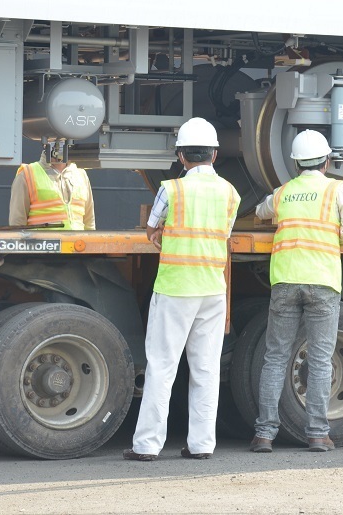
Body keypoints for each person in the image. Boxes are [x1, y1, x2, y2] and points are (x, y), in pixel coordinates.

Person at [123, 117, 240, 461]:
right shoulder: (230, 193)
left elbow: (151, 227)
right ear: (215, 155)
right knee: (206, 369)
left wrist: (160, 234)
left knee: (162, 366)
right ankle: (202, 445)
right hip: (212, 289)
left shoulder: (171, 189)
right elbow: (225, 232)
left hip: (175, 287)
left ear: (180, 156)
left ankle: (147, 445)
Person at [250, 130, 343, 454]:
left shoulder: (285, 191)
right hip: (322, 280)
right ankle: (316, 433)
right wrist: (335, 245)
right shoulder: (336, 190)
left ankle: (264, 434)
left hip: (285, 280)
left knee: (275, 358)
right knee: (320, 359)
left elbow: (261, 211)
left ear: (296, 163)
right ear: (326, 161)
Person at [9, 139, 95, 229]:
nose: (60, 142)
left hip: (76, 242)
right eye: (54, 138)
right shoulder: (26, 174)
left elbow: (89, 223)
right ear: (45, 143)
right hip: (42, 242)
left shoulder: (81, 174)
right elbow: (17, 223)